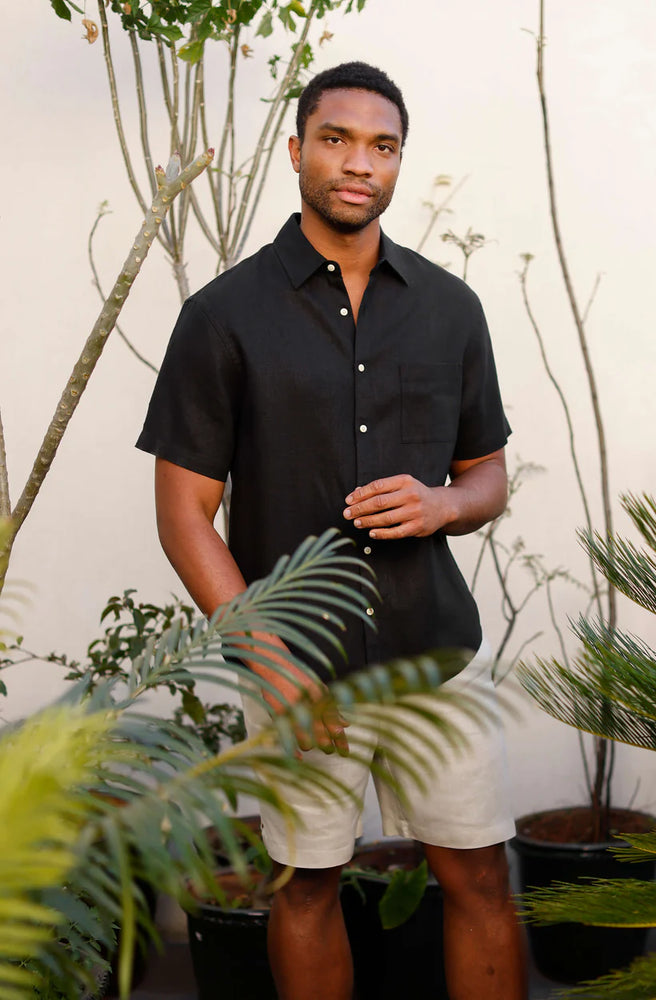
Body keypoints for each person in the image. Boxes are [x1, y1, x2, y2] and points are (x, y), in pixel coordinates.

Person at [136, 61, 527, 1000]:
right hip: (298, 664)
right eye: (337, 139)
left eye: (382, 146)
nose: (360, 163)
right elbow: (183, 514)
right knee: (305, 886)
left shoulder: (451, 308)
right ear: (296, 150)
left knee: (478, 875)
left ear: (398, 161)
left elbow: (488, 474)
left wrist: (444, 504)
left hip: (433, 649)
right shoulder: (221, 315)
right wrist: (265, 657)